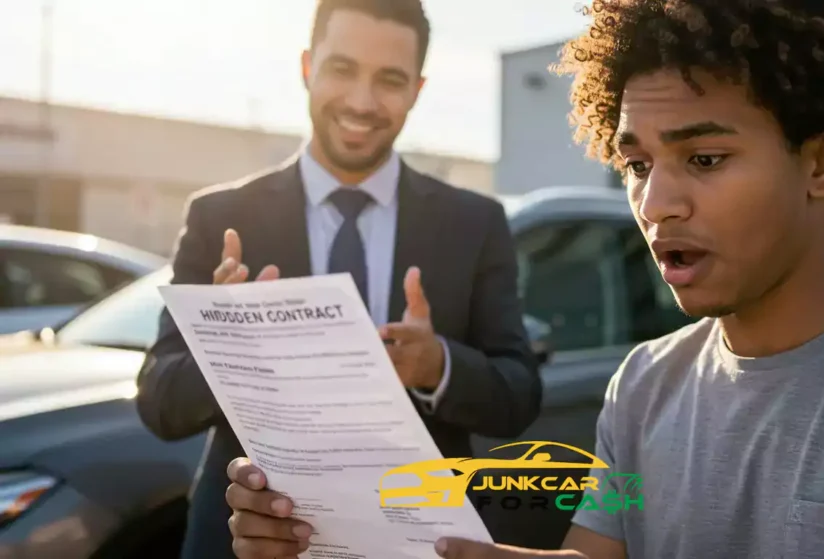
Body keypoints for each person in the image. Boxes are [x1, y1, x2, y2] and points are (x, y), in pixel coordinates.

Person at [221, 0, 824, 558]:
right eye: (637, 164)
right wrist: (336, 531)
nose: (657, 203)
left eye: (704, 159)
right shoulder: (643, 383)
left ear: (820, 163)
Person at [134, 0, 543, 557]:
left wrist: (437, 365)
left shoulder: (473, 223)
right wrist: (227, 345)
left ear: (417, 92)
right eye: (342, 69)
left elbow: (518, 394)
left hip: (417, 539)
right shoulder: (221, 217)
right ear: (307, 67)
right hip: (251, 537)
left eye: (390, 80)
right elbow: (158, 403)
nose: (361, 101)